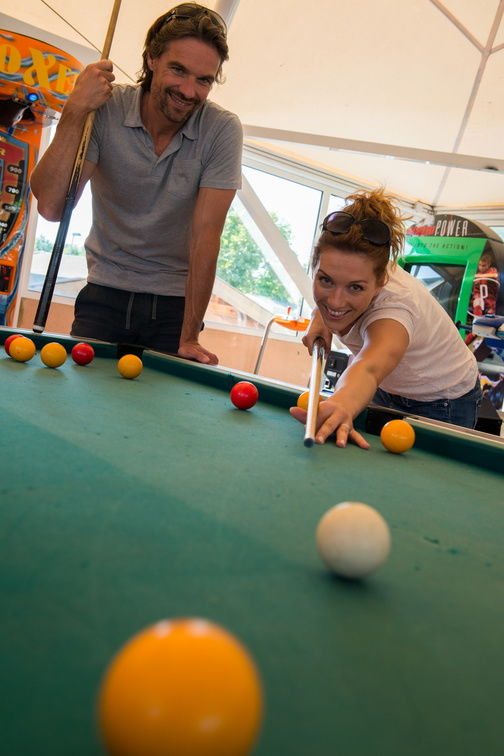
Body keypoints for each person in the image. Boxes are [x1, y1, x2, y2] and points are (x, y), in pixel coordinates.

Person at [30, 3, 243, 364]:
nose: (189, 91)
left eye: (204, 80)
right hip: (103, 295)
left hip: (175, 308)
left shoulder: (221, 130)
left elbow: (205, 239)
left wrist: (190, 335)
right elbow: (51, 207)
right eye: (178, 70)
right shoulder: (106, 107)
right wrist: (75, 110)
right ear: (151, 59)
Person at [291, 188, 482, 448]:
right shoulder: (353, 273)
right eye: (326, 280)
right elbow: (331, 302)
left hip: (442, 398)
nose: (335, 301)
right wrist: (319, 316)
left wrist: (342, 401)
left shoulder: (396, 307)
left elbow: (369, 367)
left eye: (355, 287)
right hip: (384, 388)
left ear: (380, 282)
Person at [469, 251, 499, 317]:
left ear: (488, 265)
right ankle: (477, 318)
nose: (481, 267)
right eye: (479, 265)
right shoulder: (477, 275)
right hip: (479, 297)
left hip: (490, 299)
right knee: (477, 303)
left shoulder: (493, 272)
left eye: (483, 265)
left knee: (491, 311)